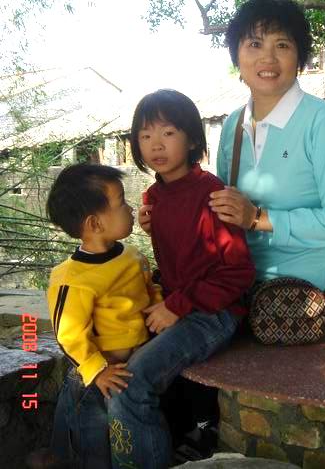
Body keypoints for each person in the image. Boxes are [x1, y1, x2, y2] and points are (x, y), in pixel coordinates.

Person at [106, 88, 255, 469]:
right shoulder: (155, 197)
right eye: (145, 135)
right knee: (105, 362)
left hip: (214, 312)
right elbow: (180, 257)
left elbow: (238, 273)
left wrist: (177, 305)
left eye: (168, 133)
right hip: (176, 306)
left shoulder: (213, 195)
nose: (155, 144)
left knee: (129, 382)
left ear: (191, 139)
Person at [209, 0, 325, 305]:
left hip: (298, 293)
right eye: (254, 44)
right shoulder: (232, 126)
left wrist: (257, 218)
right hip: (237, 279)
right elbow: (225, 210)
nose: (267, 58)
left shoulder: (322, 122)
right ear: (236, 56)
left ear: (299, 58)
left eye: (282, 45)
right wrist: (168, 216)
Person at [45, 163, 163, 469]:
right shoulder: (72, 279)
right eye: (121, 202)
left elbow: (149, 292)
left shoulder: (132, 257)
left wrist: (160, 311)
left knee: (118, 441)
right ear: (95, 223)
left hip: (129, 367)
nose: (130, 208)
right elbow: (69, 334)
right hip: (94, 379)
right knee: (91, 447)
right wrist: (97, 372)